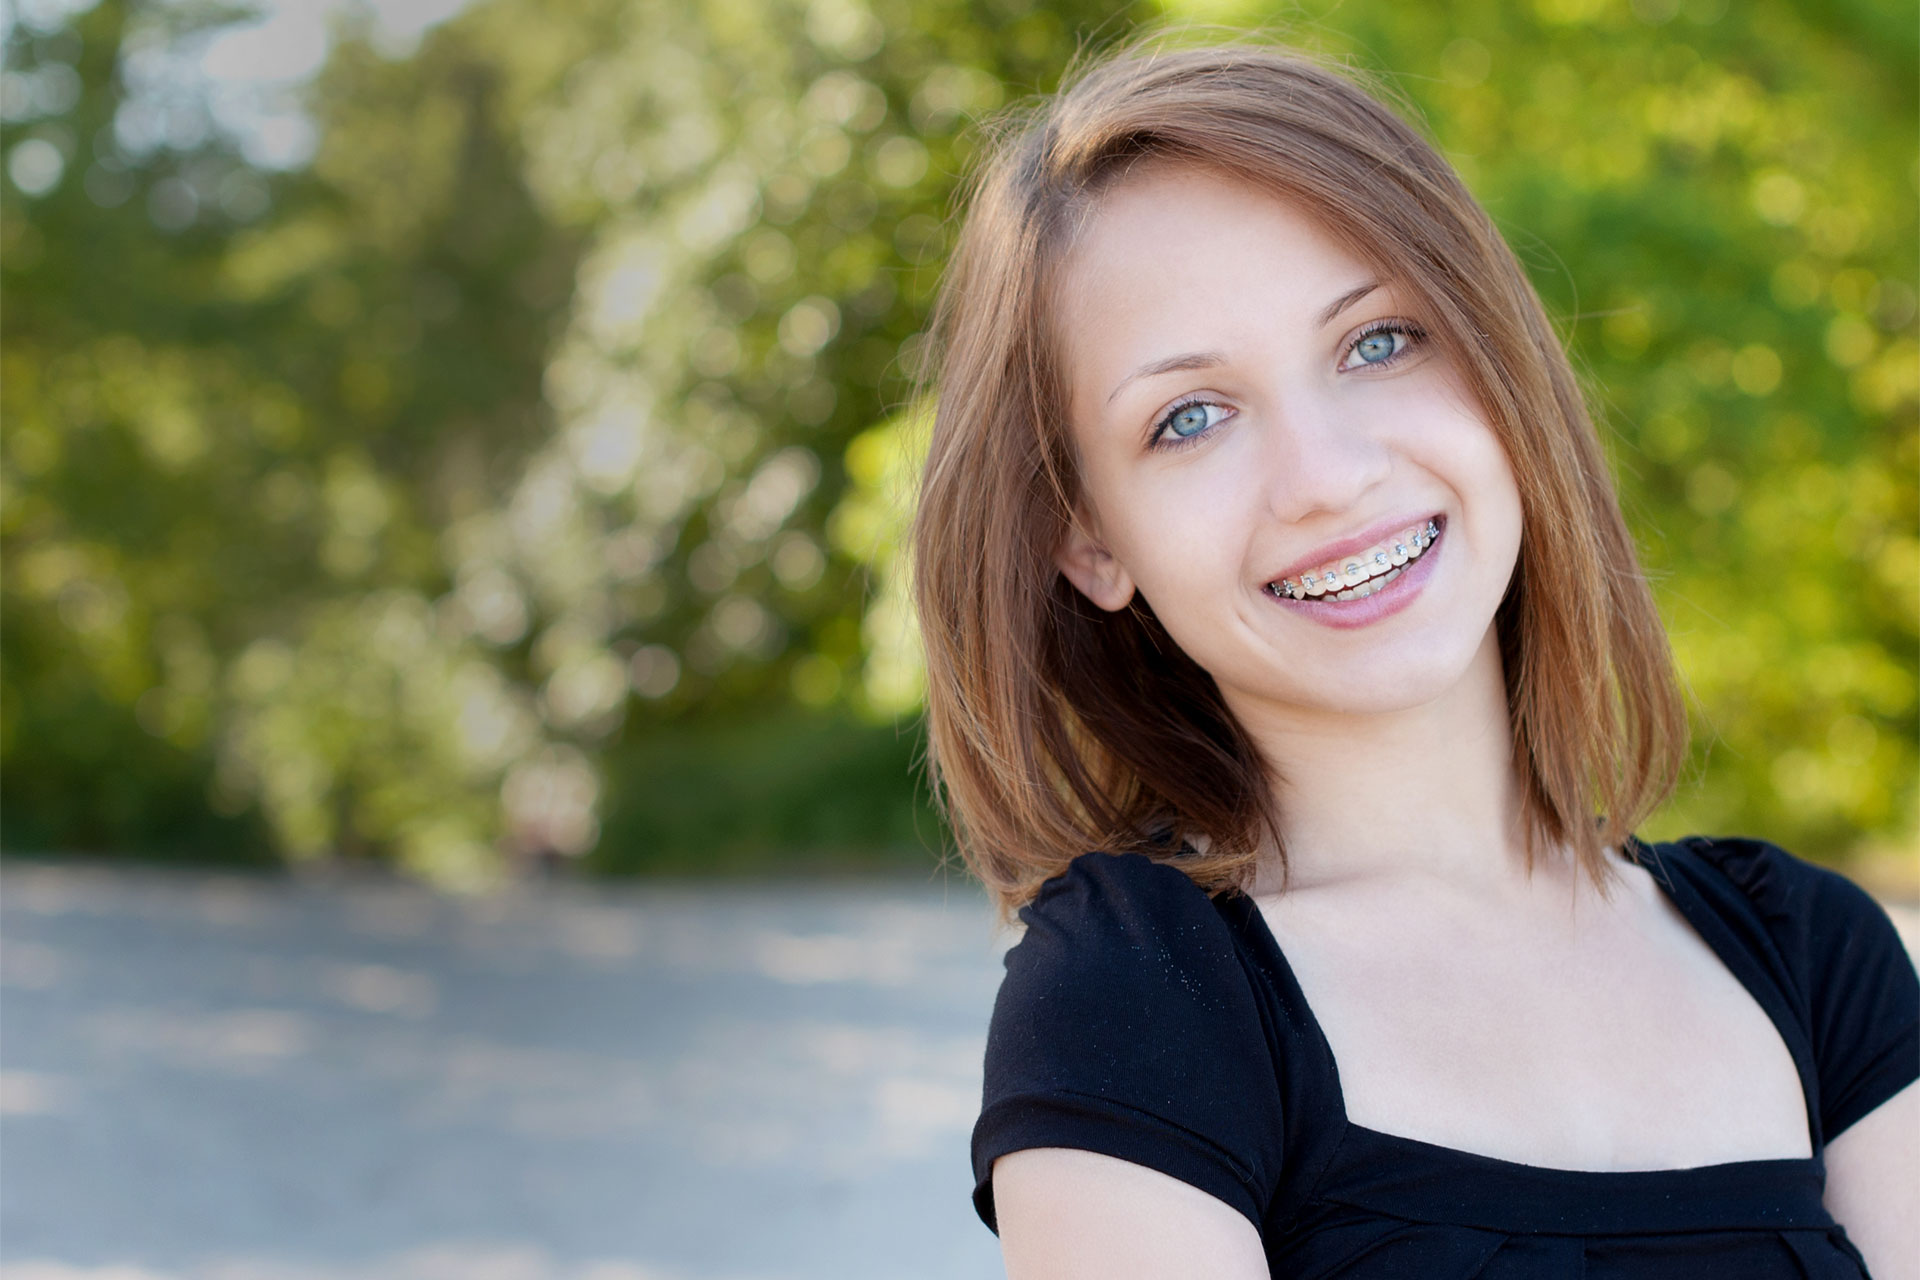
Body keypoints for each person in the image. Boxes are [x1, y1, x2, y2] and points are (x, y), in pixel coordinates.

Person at [906, 38, 1919, 1279]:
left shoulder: (1820, 958)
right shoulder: (1138, 999)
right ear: (1089, 538)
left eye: (1378, 341)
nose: (1328, 476)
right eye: (1191, 417)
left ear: (1497, 367)